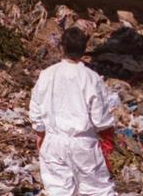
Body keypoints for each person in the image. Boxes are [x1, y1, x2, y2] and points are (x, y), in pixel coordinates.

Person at [29, 27, 117, 196]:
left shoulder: (47, 74)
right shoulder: (91, 78)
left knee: (58, 191)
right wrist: (107, 143)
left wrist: (40, 135)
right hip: (83, 143)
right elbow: (101, 120)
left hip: (53, 142)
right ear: (84, 49)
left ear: (62, 47)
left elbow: (35, 110)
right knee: (97, 190)